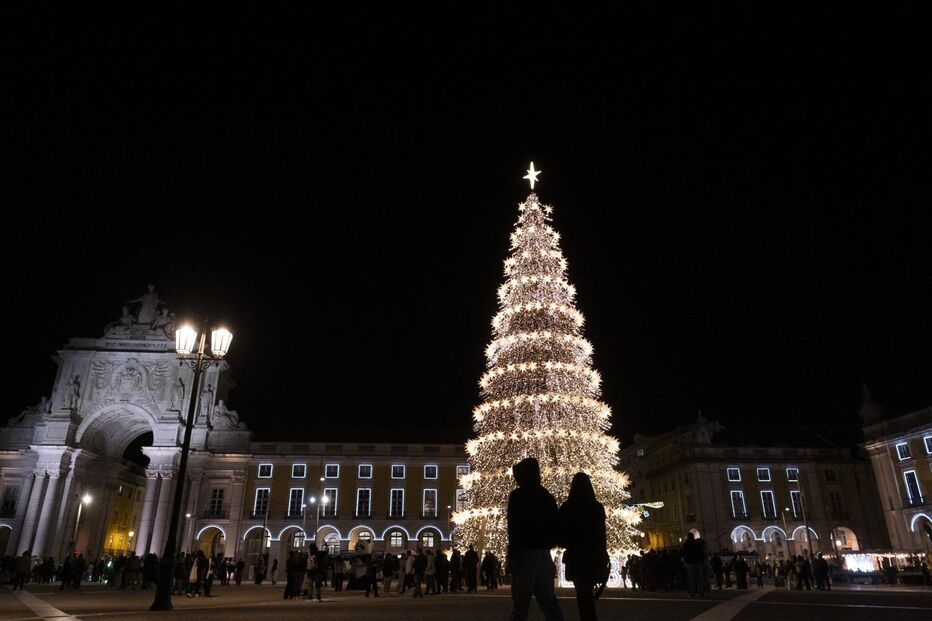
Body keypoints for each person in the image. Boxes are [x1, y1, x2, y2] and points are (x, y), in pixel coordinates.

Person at [508, 457, 564, 621]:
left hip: (524, 554)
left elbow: (513, 528)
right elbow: (556, 525)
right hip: (544, 554)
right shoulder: (547, 496)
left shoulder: (517, 496)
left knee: (520, 603)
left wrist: (511, 556)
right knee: (549, 602)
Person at [558, 472, 608, 621]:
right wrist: (603, 553)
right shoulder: (597, 507)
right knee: (587, 594)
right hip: (594, 556)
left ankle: (587, 617)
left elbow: (561, 534)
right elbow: (601, 534)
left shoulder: (567, 507)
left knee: (582, 593)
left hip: (576, 557)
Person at [681, 532, 705, 598]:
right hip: (698, 562)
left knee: (691, 579)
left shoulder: (686, 544)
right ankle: (701, 593)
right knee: (699, 579)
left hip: (690, 563)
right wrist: (701, 560)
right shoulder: (697, 543)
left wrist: (685, 562)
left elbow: (684, 554)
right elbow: (701, 553)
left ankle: (692, 593)